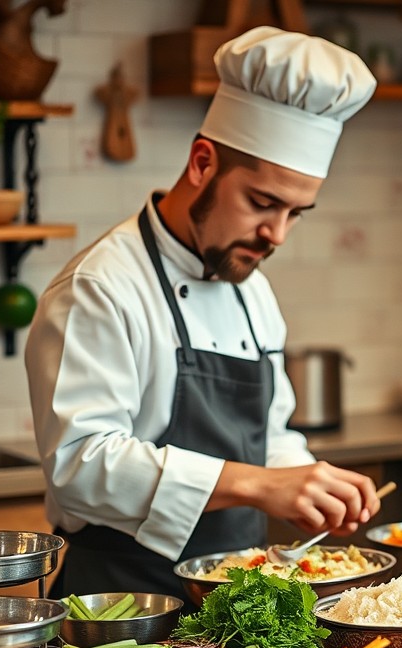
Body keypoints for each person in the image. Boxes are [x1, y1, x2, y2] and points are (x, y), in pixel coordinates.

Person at [24, 27, 380, 600]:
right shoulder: (100, 287)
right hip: (124, 606)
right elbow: (80, 464)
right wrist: (260, 485)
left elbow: (269, 435)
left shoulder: (250, 288)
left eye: (296, 213)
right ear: (201, 162)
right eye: (262, 203)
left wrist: (311, 485)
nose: (277, 234)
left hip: (239, 602)